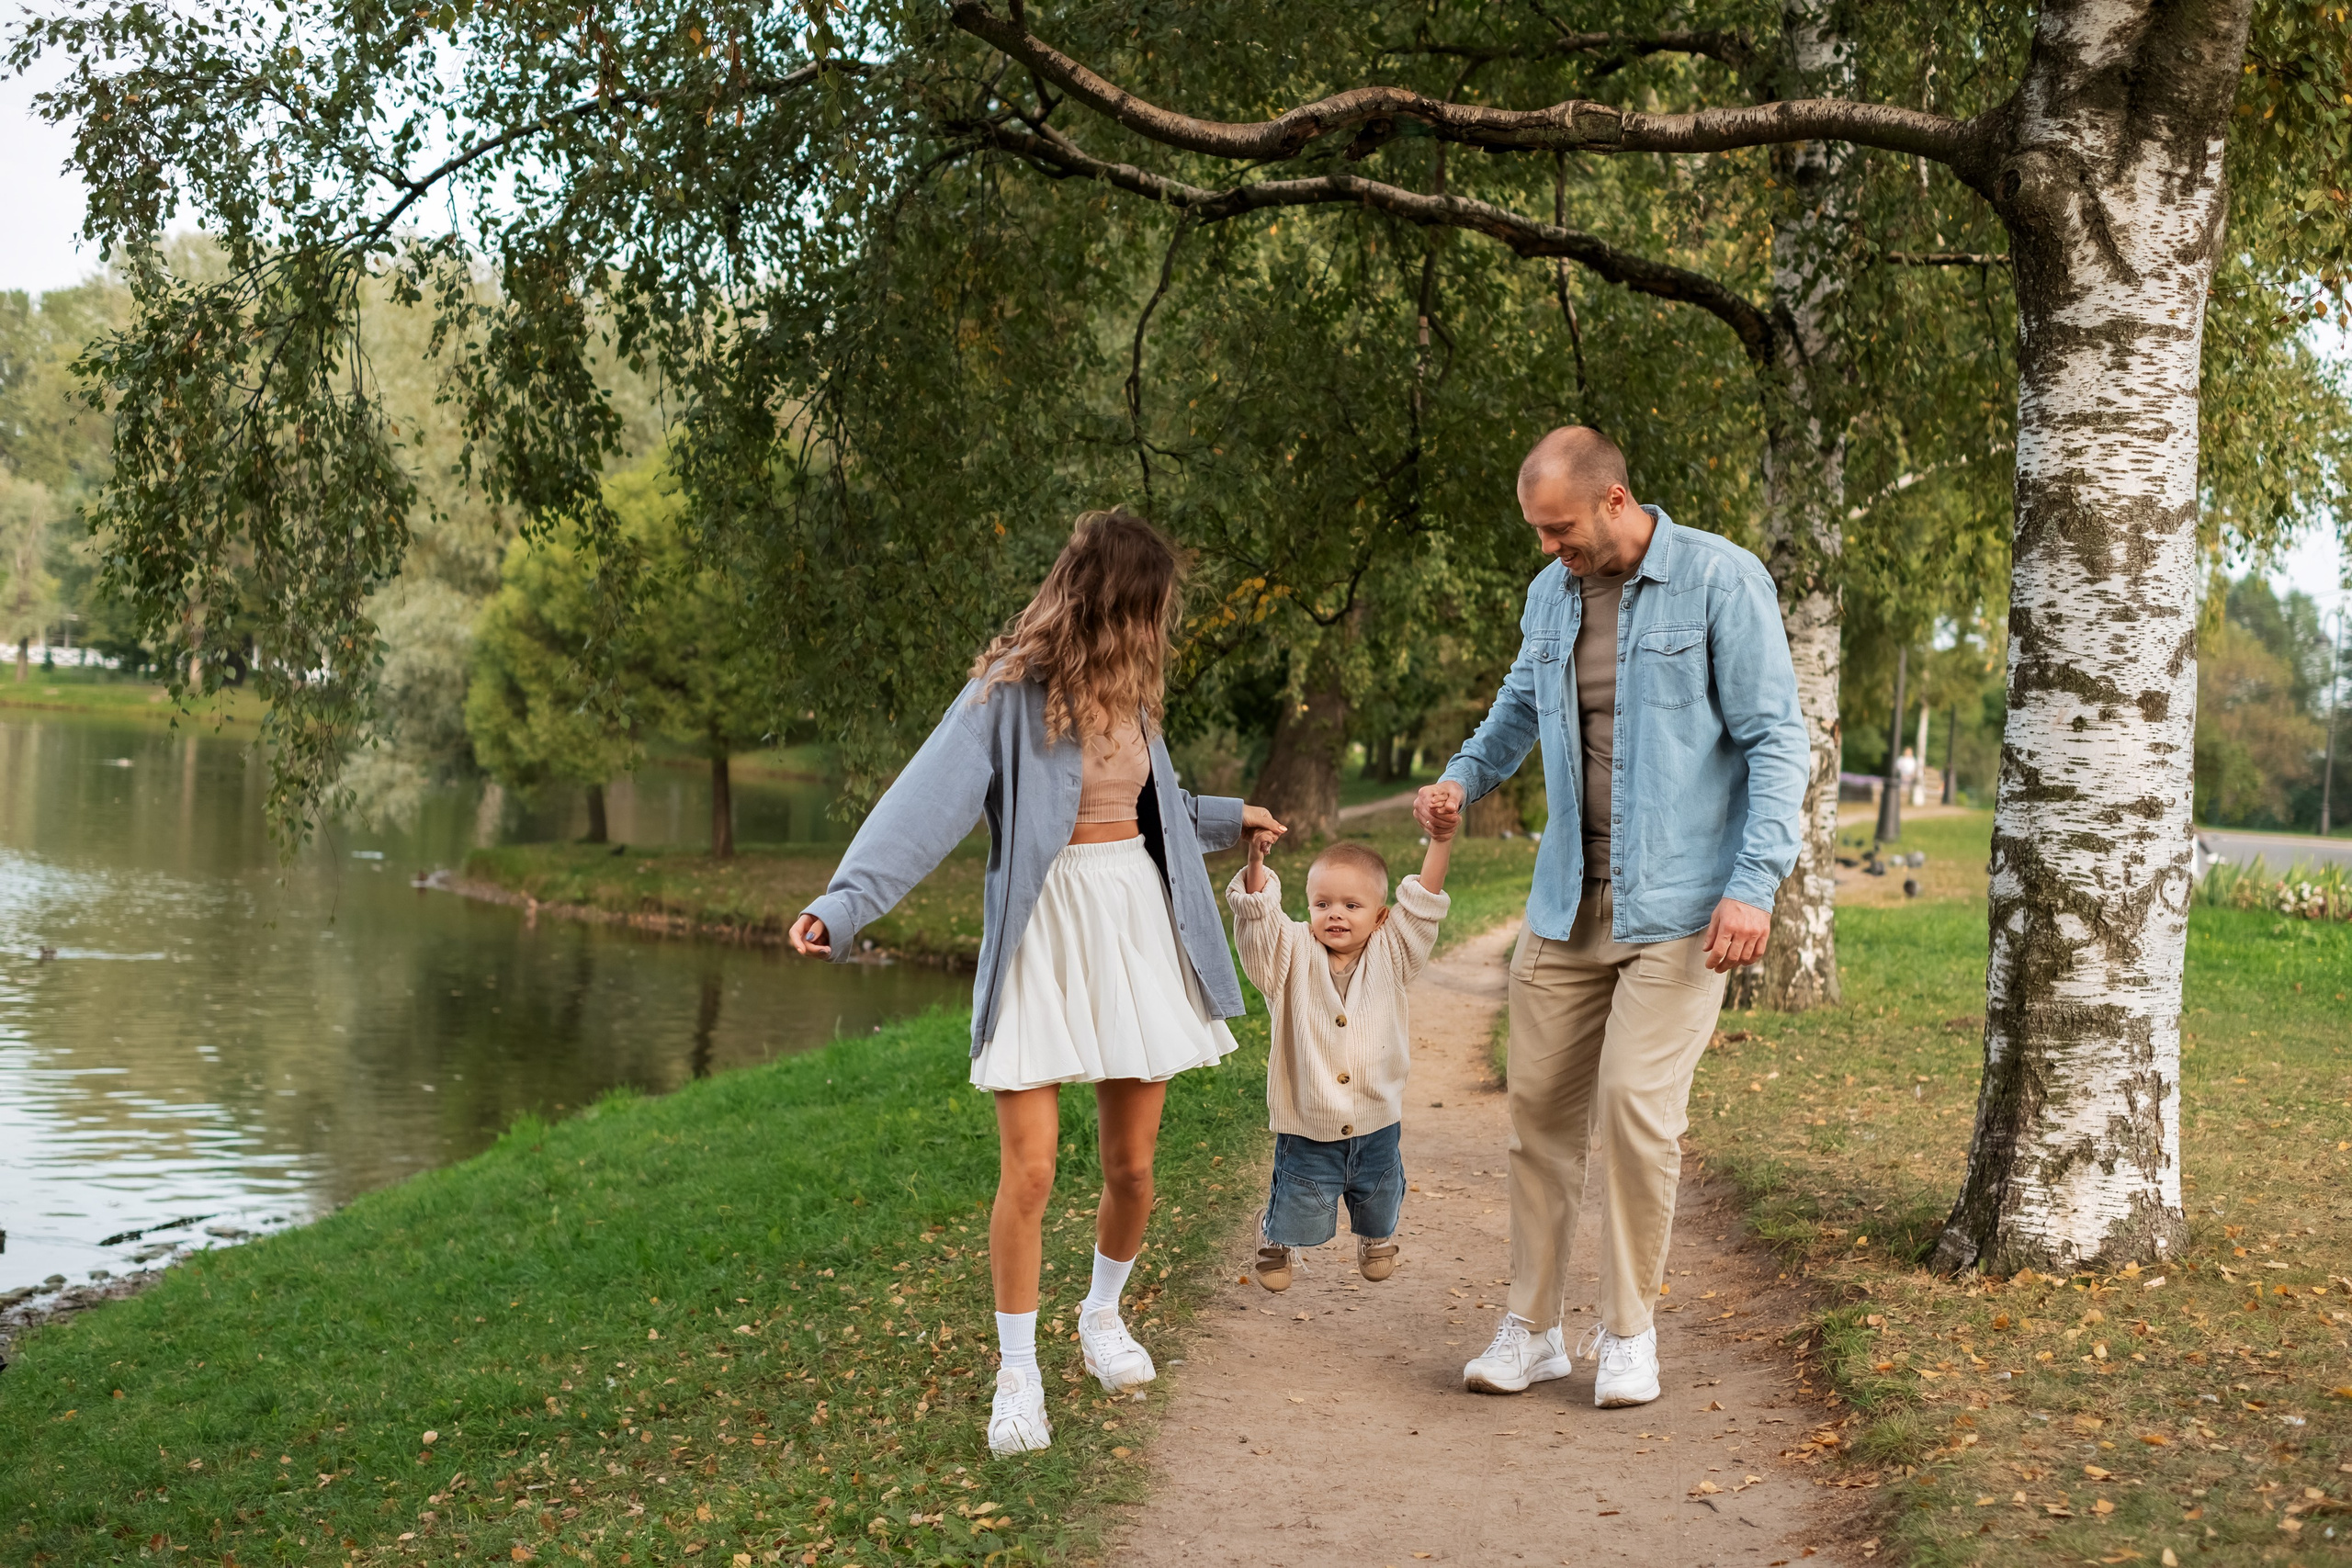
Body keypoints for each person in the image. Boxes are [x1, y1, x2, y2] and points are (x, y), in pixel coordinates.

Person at [789, 509, 1287, 1457]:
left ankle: (1100, 1314)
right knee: (1032, 1169)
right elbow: (923, 804)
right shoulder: (1007, 691)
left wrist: (1231, 817)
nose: (1159, 627)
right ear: (1117, 600)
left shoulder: (1136, 699)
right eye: (1152, 607)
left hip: (1134, 922)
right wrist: (842, 905)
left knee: (1132, 1168)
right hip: (1044, 930)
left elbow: (1156, 812)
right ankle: (1016, 1373)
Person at [1416, 426, 1807, 1409]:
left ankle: (1628, 1332)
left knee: (1635, 1113)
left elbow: (1776, 742)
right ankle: (1533, 1329)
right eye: (1539, 535)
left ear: (1615, 500)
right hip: (1564, 904)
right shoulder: (1549, 596)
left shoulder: (1721, 581)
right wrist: (1461, 779)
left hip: (1681, 909)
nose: (1550, 551)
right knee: (1537, 1120)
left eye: (1559, 531)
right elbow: (1514, 710)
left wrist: (1754, 885)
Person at [1225, 820, 1454, 1292]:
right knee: (1300, 1205)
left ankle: (1375, 1237)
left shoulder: (1393, 952)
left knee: (1379, 1194)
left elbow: (1425, 905)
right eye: (1323, 904)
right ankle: (1274, 1233)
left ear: (1381, 915)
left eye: (1352, 906)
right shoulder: (1289, 955)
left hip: (1377, 1121)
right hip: (1309, 1122)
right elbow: (1257, 925)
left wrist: (1441, 840)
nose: (1336, 915)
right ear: (1308, 907)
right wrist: (1255, 863)